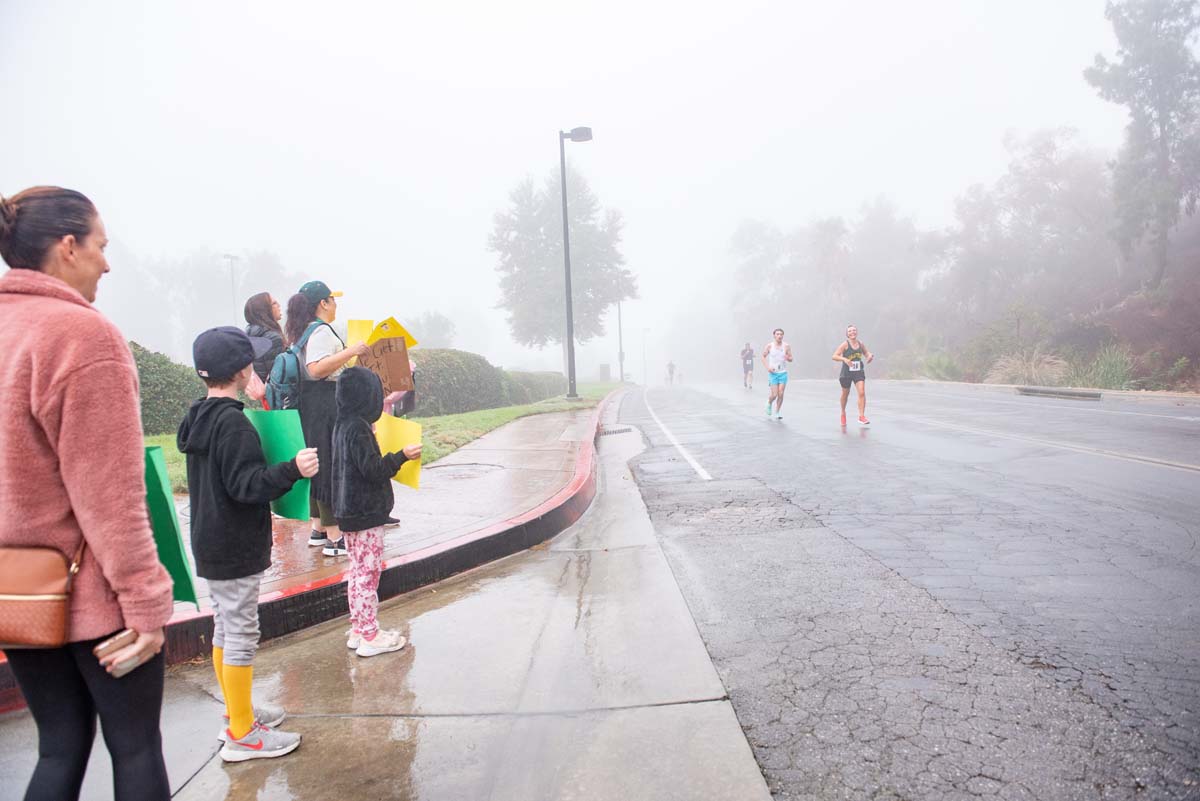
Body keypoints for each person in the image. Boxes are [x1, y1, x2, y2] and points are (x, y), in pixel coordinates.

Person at [0, 187, 175, 800]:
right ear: (68, 247)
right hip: (100, 603)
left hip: (19, 592)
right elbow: (110, 498)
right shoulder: (82, 336)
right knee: (134, 750)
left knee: (57, 748)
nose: (107, 262)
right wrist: (148, 603)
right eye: (101, 246)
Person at [178, 326, 319, 761]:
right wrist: (292, 468)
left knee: (225, 627)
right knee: (240, 633)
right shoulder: (233, 424)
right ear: (243, 370)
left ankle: (237, 714)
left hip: (211, 541)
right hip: (234, 545)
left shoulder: (198, 416)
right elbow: (247, 486)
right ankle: (243, 734)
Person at [332, 367, 421, 657]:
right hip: (366, 512)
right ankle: (371, 634)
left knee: (357, 572)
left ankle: (359, 628)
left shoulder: (342, 424)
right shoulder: (358, 429)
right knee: (368, 575)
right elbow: (373, 470)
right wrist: (401, 457)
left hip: (348, 513)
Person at [284, 281, 368, 557]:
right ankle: (335, 536)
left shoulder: (303, 332)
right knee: (328, 463)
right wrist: (352, 351)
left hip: (310, 404)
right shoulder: (320, 331)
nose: (336, 304)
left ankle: (319, 528)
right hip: (323, 402)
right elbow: (317, 368)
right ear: (323, 303)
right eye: (333, 299)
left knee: (314, 462)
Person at [833, 324, 874, 426]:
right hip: (846, 372)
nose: (852, 332)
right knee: (845, 394)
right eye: (850, 331)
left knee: (862, 392)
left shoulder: (860, 344)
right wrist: (844, 359)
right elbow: (834, 356)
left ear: (857, 332)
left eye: (854, 330)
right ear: (847, 334)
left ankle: (861, 416)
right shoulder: (845, 344)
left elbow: (866, 353)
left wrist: (869, 356)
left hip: (858, 371)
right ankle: (843, 412)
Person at [243, 292, 286, 383]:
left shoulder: (248, 336)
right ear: (264, 311)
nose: (279, 305)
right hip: (270, 393)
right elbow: (279, 376)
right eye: (274, 303)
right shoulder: (273, 339)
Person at [762, 328, 793, 419]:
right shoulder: (769, 346)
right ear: (774, 335)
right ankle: (769, 402)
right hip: (773, 373)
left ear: (783, 336)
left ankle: (777, 412)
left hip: (783, 373)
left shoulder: (786, 346)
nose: (779, 336)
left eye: (781, 334)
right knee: (774, 394)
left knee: (781, 393)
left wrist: (787, 357)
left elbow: (791, 359)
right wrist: (768, 368)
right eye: (777, 334)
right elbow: (763, 357)